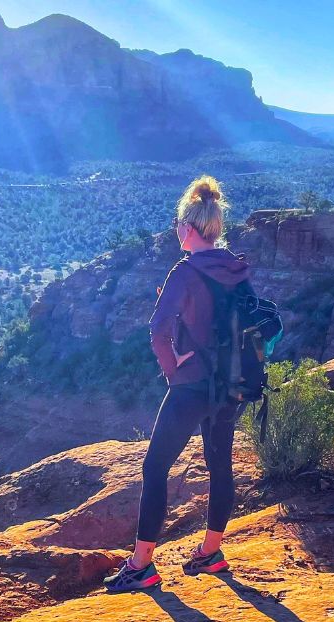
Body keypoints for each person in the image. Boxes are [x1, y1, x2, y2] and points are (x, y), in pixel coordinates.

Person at [104, 176, 250, 592]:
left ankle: (142, 565)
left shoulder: (185, 272)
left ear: (187, 228)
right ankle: (211, 553)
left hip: (192, 386)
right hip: (230, 383)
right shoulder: (235, 267)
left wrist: (173, 367)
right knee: (220, 466)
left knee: (155, 468)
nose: (175, 232)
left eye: (177, 225)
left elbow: (157, 330)